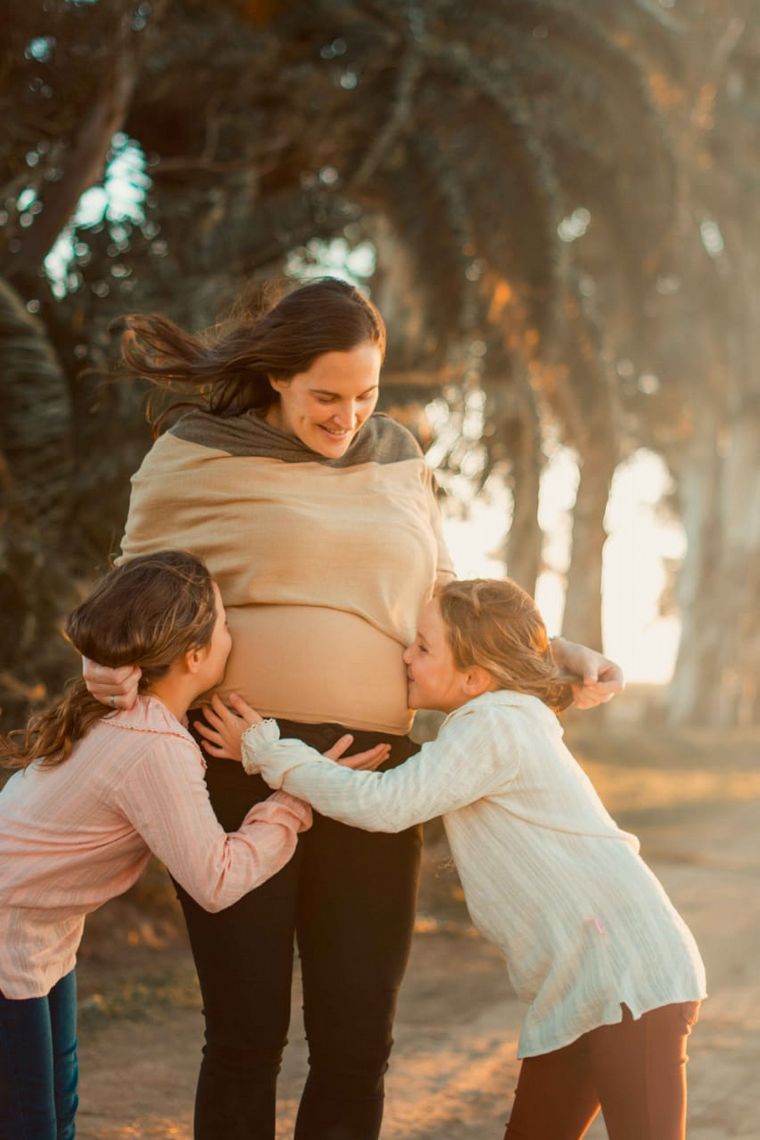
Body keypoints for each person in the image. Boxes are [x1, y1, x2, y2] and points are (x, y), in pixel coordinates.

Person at [82, 277, 624, 1140]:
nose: (346, 418)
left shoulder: (397, 453)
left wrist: (557, 653)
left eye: (365, 395)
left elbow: (443, 594)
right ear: (276, 378)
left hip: (380, 775)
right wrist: (102, 668)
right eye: (324, 396)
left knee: (356, 1038)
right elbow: (132, 590)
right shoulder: (196, 452)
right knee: (246, 1034)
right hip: (234, 764)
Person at [207, 577, 706, 1140]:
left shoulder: (496, 724)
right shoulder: (495, 719)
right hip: (579, 983)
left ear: (475, 678)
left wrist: (266, 749)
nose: (405, 656)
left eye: (423, 646)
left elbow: (388, 804)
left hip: (627, 974)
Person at [0, 551, 378, 1140]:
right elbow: (216, 880)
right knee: (31, 1128)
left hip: (36, 938)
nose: (234, 635)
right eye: (225, 624)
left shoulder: (118, 710)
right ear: (195, 656)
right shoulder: (151, 742)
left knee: (51, 1119)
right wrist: (299, 796)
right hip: (7, 935)